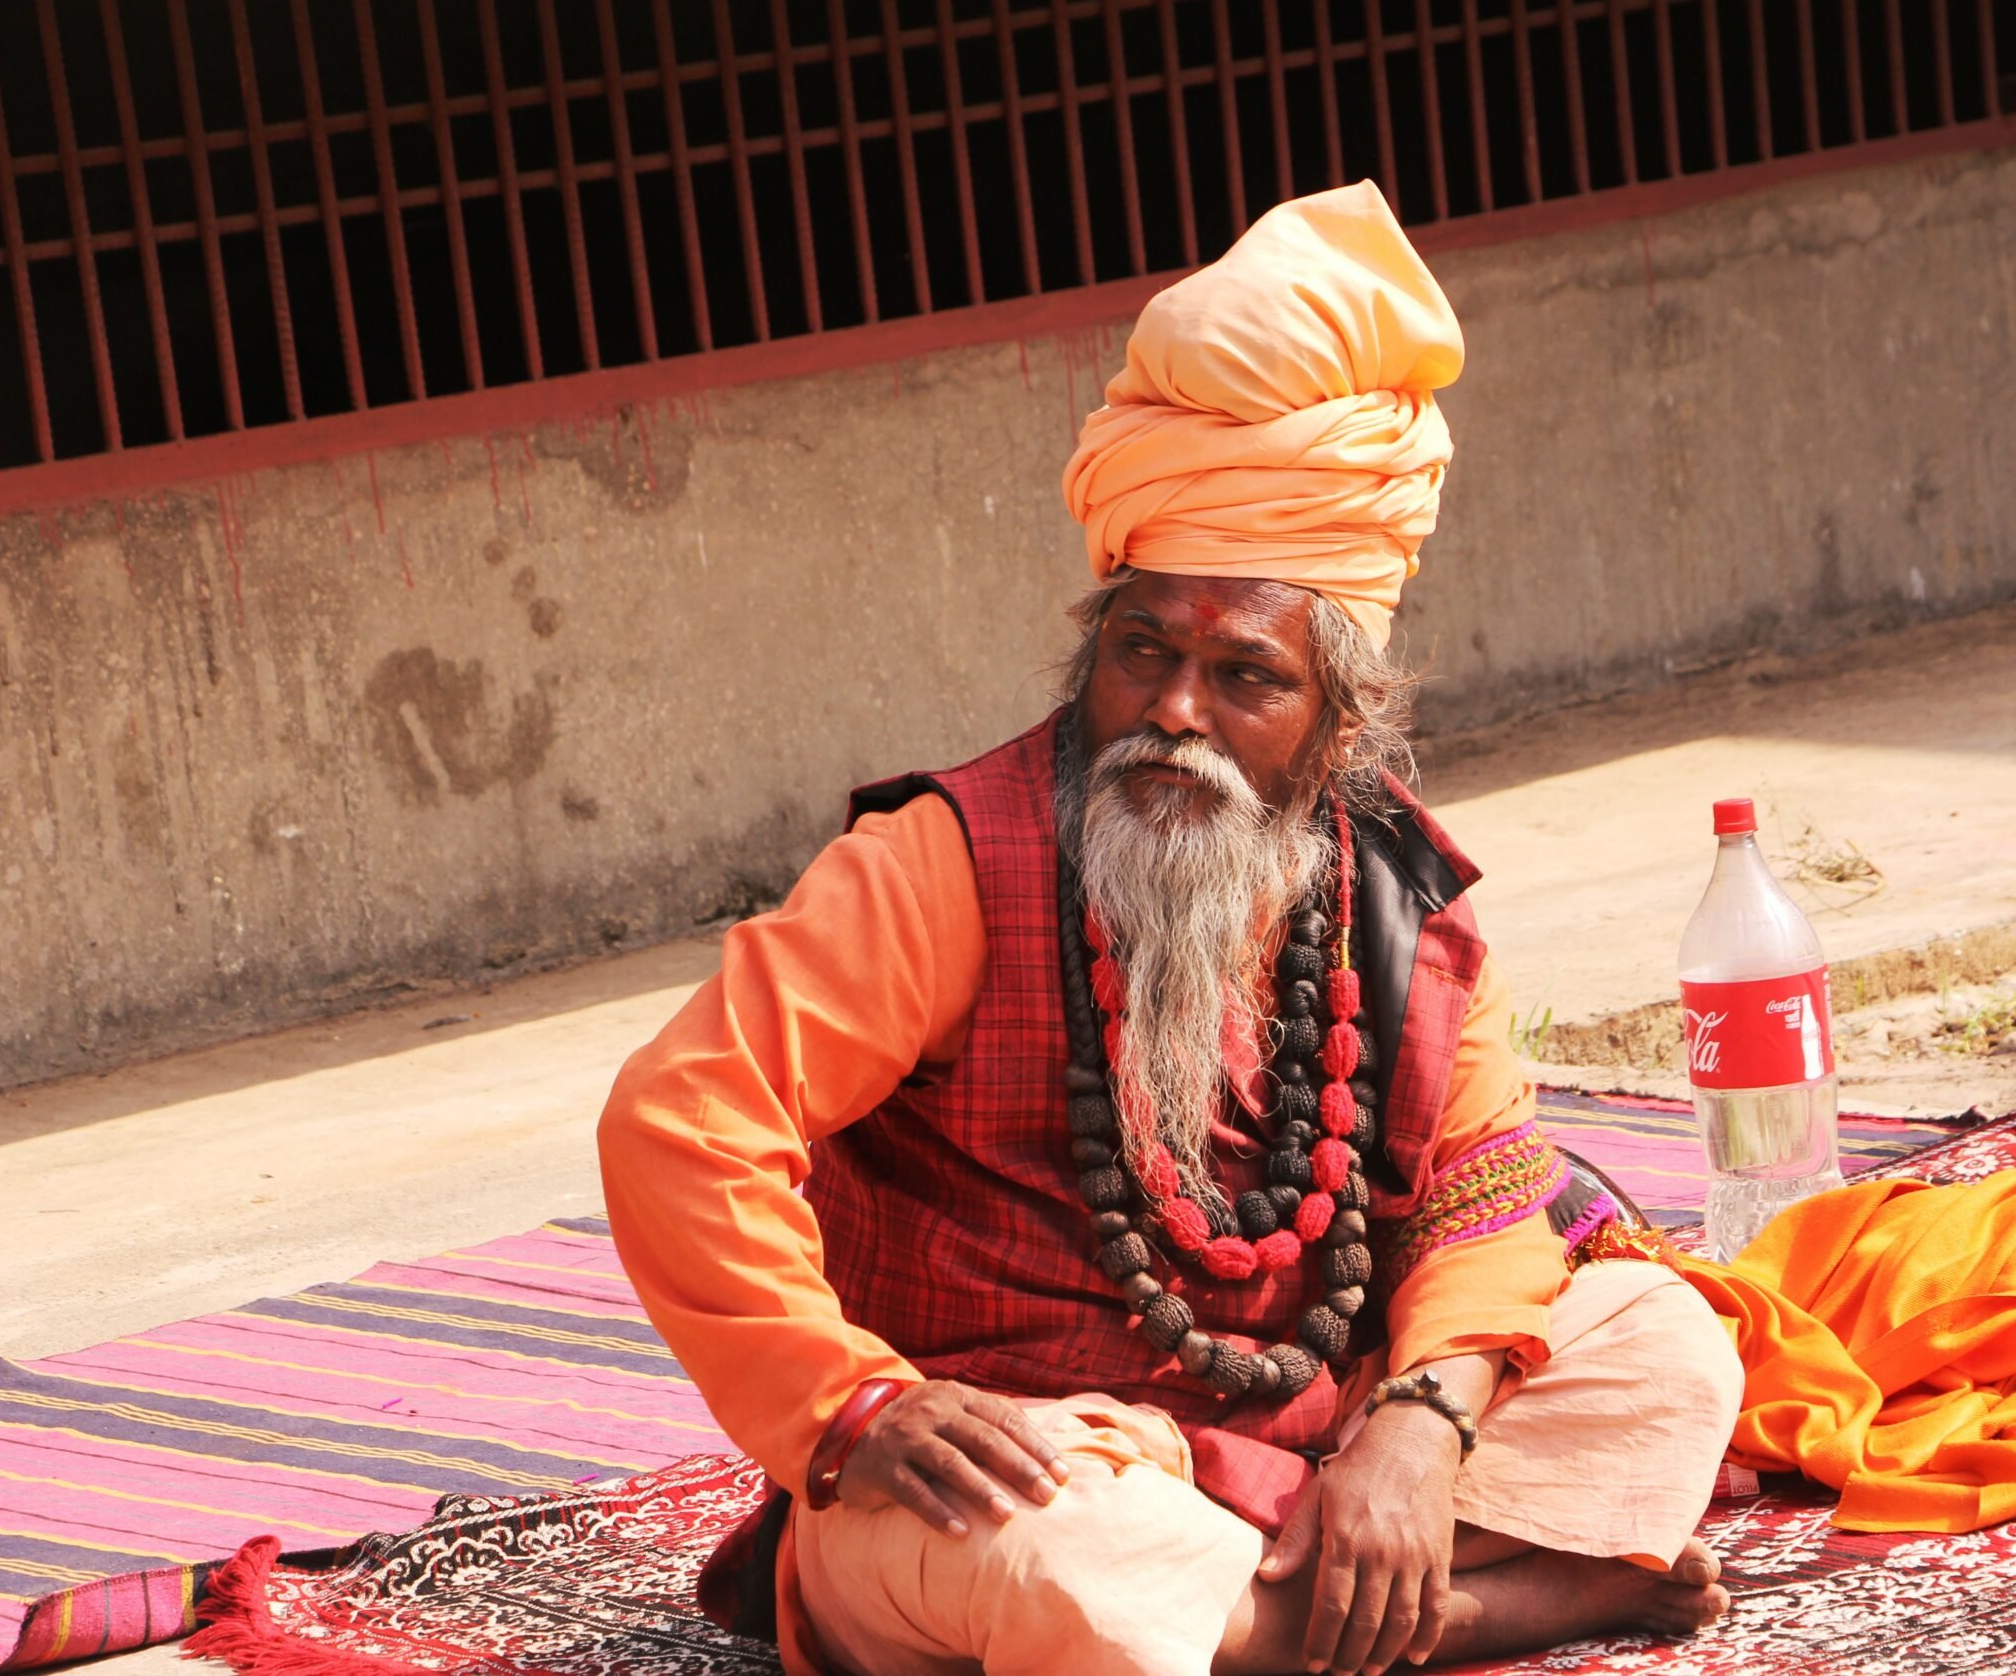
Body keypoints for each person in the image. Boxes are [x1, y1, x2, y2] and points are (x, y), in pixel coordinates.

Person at [599, 182, 1743, 1676]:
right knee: (1073, 1562)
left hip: (1297, 1448)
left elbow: (1481, 1208)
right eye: (1142, 651)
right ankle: (1468, 1613)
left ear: (1339, 726)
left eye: (1244, 676)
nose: (1175, 714)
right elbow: (682, 1121)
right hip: (997, 1469)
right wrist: (849, 1406)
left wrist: (1416, 1428)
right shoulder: (945, 863)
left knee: (1665, 1348)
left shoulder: (1402, 911)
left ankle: (1276, 1608)